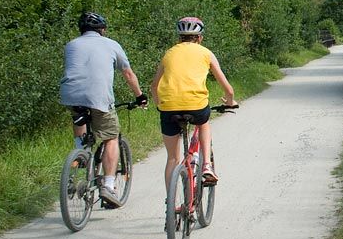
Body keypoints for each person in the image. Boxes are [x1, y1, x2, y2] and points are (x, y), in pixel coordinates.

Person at [59, 11, 148, 205]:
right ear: (102, 30)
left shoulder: (71, 45)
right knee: (110, 138)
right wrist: (140, 96)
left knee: (79, 115)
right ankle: (108, 185)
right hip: (99, 97)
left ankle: (80, 152)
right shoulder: (111, 44)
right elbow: (128, 74)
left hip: (71, 95)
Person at [150, 16, 237, 189]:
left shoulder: (169, 53)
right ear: (200, 38)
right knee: (203, 123)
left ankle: (171, 204)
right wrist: (230, 101)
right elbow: (228, 89)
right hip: (196, 105)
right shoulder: (205, 53)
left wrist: (160, 104)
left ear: (179, 38)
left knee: (173, 158)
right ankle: (206, 166)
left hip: (168, 108)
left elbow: (154, 86)